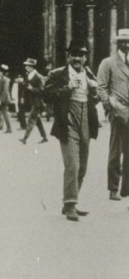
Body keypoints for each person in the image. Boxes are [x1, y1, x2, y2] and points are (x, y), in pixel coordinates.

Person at [43, 42, 99, 221]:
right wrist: (68, 88)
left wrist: (95, 92)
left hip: (86, 122)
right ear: (68, 57)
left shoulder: (89, 73)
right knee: (72, 165)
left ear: (85, 57)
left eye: (81, 55)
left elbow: (95, 100)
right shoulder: (58, 74)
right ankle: (70, 204)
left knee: (82, 166)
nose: (77, 58)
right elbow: (47, 96)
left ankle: (70, 203)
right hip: (68, 122)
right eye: (74, 54)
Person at [96, 27, 129, 200]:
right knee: (115, 153)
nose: (126, 44)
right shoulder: (108, 62)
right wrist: (109, 108)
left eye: (128, 42)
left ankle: (126, 189)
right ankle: (113, 188)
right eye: (123, 41)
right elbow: (101, 87)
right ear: (118, 43)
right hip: (117, 112)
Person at [19, 58, 48, 144]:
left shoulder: (39, 77)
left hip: (38, 102)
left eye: (27, 65)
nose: (25, 67)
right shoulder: (29, 75)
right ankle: (44, 137)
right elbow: (26, 88)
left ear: (31, 67)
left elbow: (43, 90)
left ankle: (25, 138)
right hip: (33, 101)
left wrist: (32, 89)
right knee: (37, 120)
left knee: (31, 119)